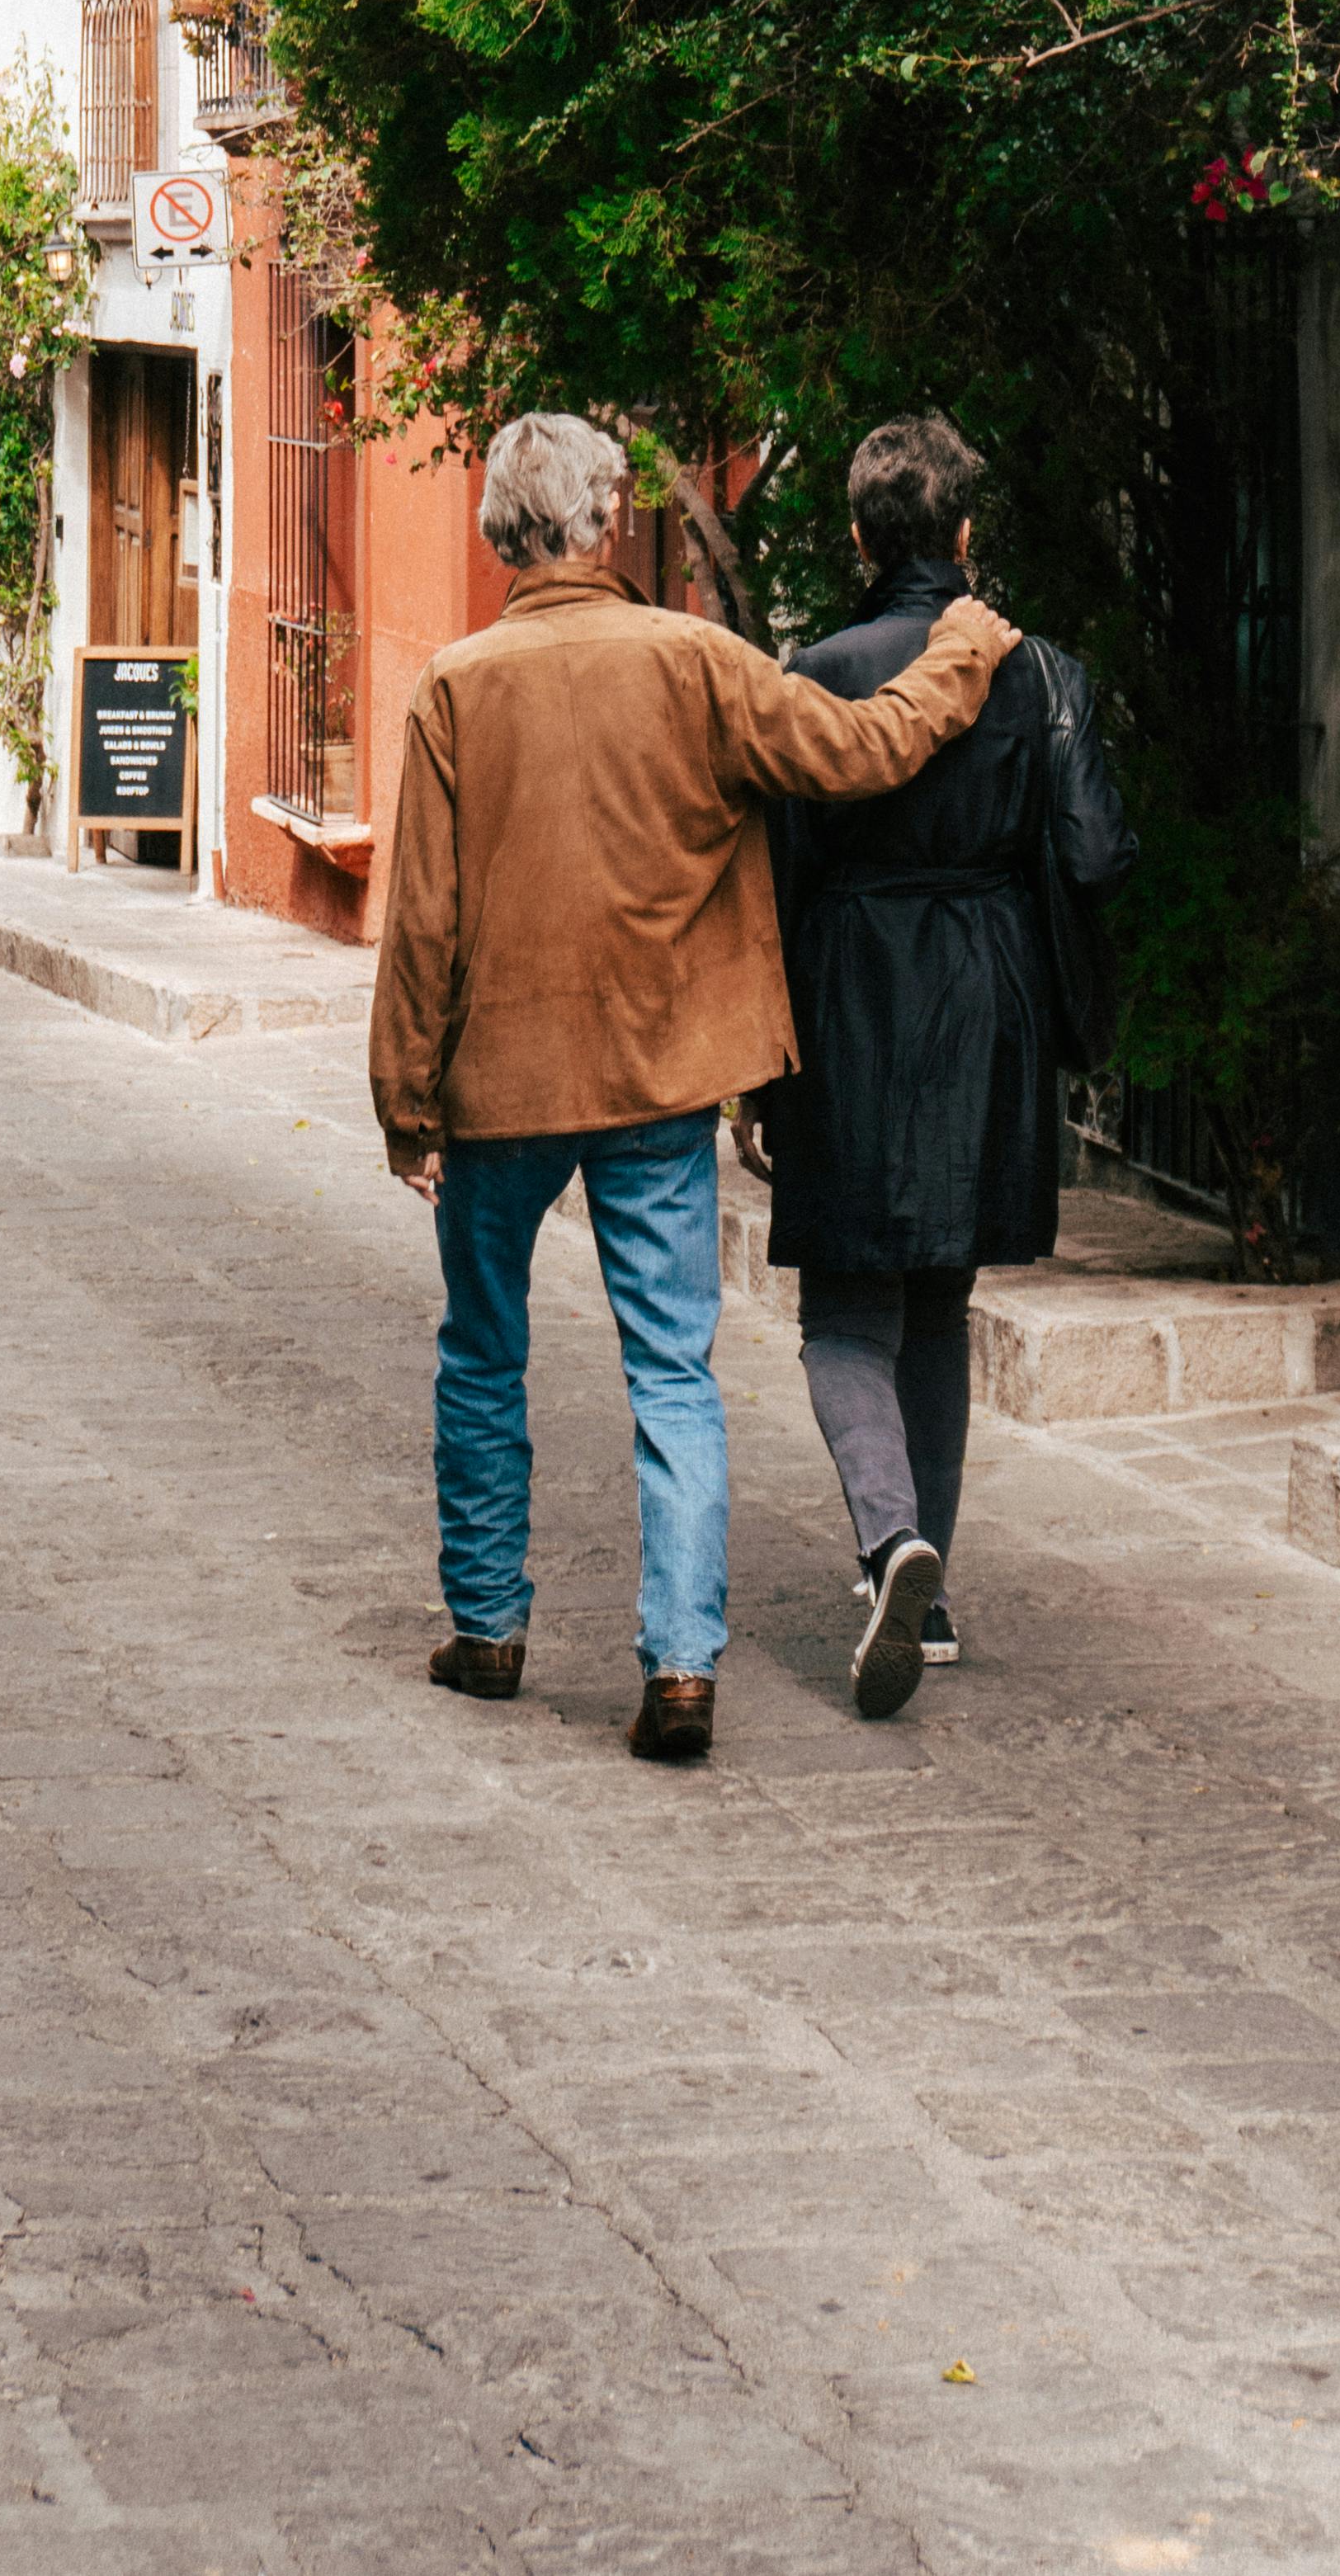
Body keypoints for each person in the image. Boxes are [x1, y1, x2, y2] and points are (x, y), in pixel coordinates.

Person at [370, 410, 1020, 1767]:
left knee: (481, 1353)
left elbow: (421, 921)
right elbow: (860, 751)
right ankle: (678, 1668)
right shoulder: (692, 661)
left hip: (499, 1082)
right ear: (608, 520)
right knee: (671, 1369)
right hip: (659, 1074)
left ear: (502, 531)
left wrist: (404, 1100)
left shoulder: (455, 685)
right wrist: (960, 638)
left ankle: (487, 1626)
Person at [741, 409, 1137, 1720]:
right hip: (986, 994)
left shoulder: (819, 668)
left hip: (852, 987)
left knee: (843, 1308)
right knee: (937, 1304)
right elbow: (1090, 857)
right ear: (965, 533)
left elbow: (779, 878)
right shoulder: (1041, 675)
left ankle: (886, 1541)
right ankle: (934, 1588)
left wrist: (762, 1066)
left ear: (858, 534)